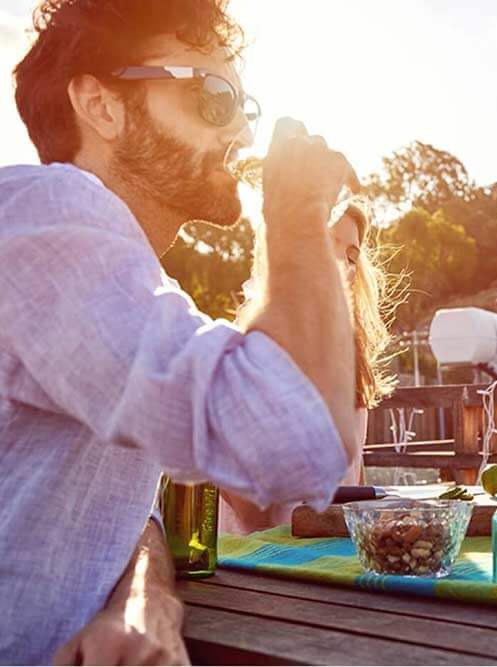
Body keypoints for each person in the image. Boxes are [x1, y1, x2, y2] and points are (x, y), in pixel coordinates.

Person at [0, 1, 361, 662]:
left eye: (243, 110)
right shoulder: (50, 214)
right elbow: (295, 445)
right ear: (102, 106)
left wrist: (147, 601)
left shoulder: (123, 282)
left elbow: (132, 512)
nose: (243, 138)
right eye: (213, 97)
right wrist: (296, 207)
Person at [221, 196, 400, 534]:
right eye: (329, 243)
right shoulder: (255, 345)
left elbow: (353, 469)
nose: (343, 264)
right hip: (264, 553)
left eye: (351, 254)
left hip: (331, 543)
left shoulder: (349, 351)